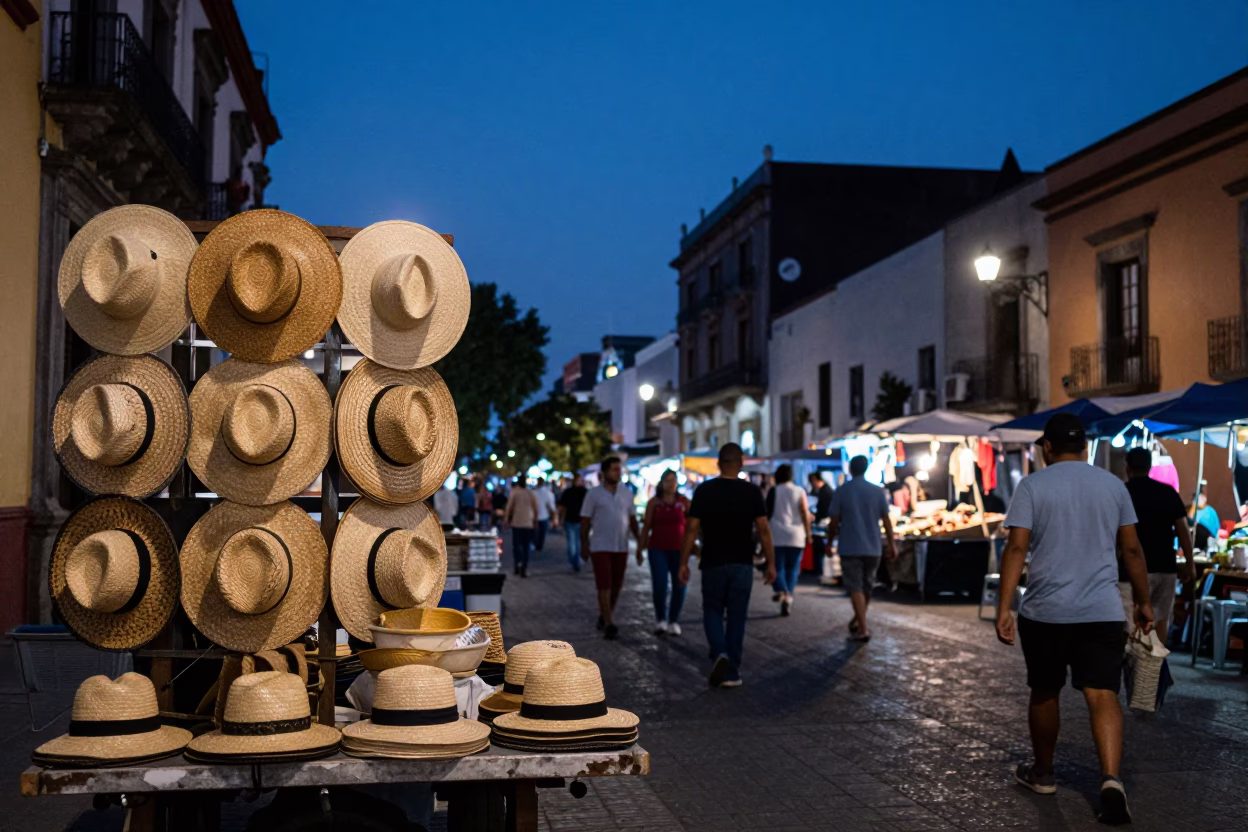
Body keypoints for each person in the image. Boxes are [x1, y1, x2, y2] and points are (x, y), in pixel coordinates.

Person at [995, 414, 1152, 826]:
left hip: (1046, 612)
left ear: (1047, 448)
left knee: (1045, 691)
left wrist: (1003, 607)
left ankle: (1043, 774)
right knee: (1103, 694)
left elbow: (1016, 549)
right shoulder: (1113, 485)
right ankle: (1111, 779)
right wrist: (1143, 601)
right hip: (1102, 611)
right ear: (1085, 447)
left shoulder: (1032, 486)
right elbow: (1132, 550)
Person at [678, 444, 776, 688]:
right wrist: (771, 563)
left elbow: (691, 528)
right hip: (742, 562)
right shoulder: (752, 492)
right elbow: (763, 529)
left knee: (712, 610)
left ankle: (719, 651)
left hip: (713, 561)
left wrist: (683, 562)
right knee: (737, 616)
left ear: (718, 463)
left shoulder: (704, 490)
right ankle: (732, 672)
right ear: (740, 463)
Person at [1120, 447, 1195, 641]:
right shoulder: (1167, 492)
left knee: (1130, 624)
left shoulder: (1121, 493)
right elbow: (1183, 530)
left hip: (1129, 571)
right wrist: (1190, 563)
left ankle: (1134, 660)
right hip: (1164, 568)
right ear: (1149, 467)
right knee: (1160, 620)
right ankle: (1156, 659)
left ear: (1127, 468)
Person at [827, 455, 897, 641]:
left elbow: (833, 522)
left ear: (850, 469)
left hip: (850, 546)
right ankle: (859, 620)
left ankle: (862, 627)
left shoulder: (842, 491)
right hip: (873, 545)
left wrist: (829, 542)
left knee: (855, 586)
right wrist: (892, 544)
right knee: (867, 586)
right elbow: (887, 520)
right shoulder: (877, 491)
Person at [580, 457, 639, 640]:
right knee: (604, 584)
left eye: (619, 469)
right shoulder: (593, 494)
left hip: (621, 545)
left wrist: (640, 541)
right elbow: (585, 521)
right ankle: (608, 622)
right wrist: (584, 544)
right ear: (604, 473)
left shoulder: (626, 493)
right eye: (614, 469)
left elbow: (632, 519)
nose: (618, 473)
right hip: (600, 545)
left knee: (616, 585)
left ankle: (605, 614)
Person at [639, 470, 689, 636]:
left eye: (673, 480)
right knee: (660, 584)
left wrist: (693, 546)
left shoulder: (684, 502)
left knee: (679, 584)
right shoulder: (654, 502)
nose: (671, 483)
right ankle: (661, 618)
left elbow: (693, 525)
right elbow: (647, 526)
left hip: (679, 549)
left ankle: (674, 620)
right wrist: (640, 547)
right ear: (662, 483)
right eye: (667, 480)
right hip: (657, 548)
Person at [768, 464, 811, 617]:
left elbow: (767, 513)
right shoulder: (799, 491)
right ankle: (788, 596)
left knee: (777, 566)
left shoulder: (773, 491)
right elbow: (804, 512)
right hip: (796, 535)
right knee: (792, 568)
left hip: (776, 534)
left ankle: (783, 590)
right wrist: (808, 533)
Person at [503, 478, 538, 578]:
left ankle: (517, 564)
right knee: (526, 546)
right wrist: (535, 520)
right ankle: (524, 567)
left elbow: (509, 507)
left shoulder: (515, 492)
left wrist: (506, 519)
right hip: (528, 523)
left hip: (517, 522)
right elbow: (535, 508)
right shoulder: (530, 493)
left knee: (517, 545)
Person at [558, 473, 588, 572]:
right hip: (577, 520)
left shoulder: (569, 492)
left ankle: (574, 561)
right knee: (576, 542)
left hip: (573, 520)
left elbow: (562, 507)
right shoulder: (584, 492)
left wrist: (560, 519)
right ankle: (576, 561)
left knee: (573, 542)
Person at [532, 477, 556, 552]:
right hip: (544, 516)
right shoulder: (548, 493)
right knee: (542, 533)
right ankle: (539, 546)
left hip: (535, 516)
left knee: (535, 532)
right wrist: (554, 517)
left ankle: (536, 545)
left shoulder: (533, 493)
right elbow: (551, 507)